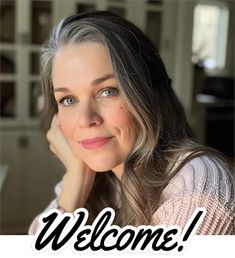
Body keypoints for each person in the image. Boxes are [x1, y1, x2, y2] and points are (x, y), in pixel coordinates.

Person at [29, 11, 234, 235]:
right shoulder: (100, 174)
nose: (85, 120)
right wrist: (76, 179)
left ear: (150, 94)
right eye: (68, 100)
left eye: (107, 91)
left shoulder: (198, 197)